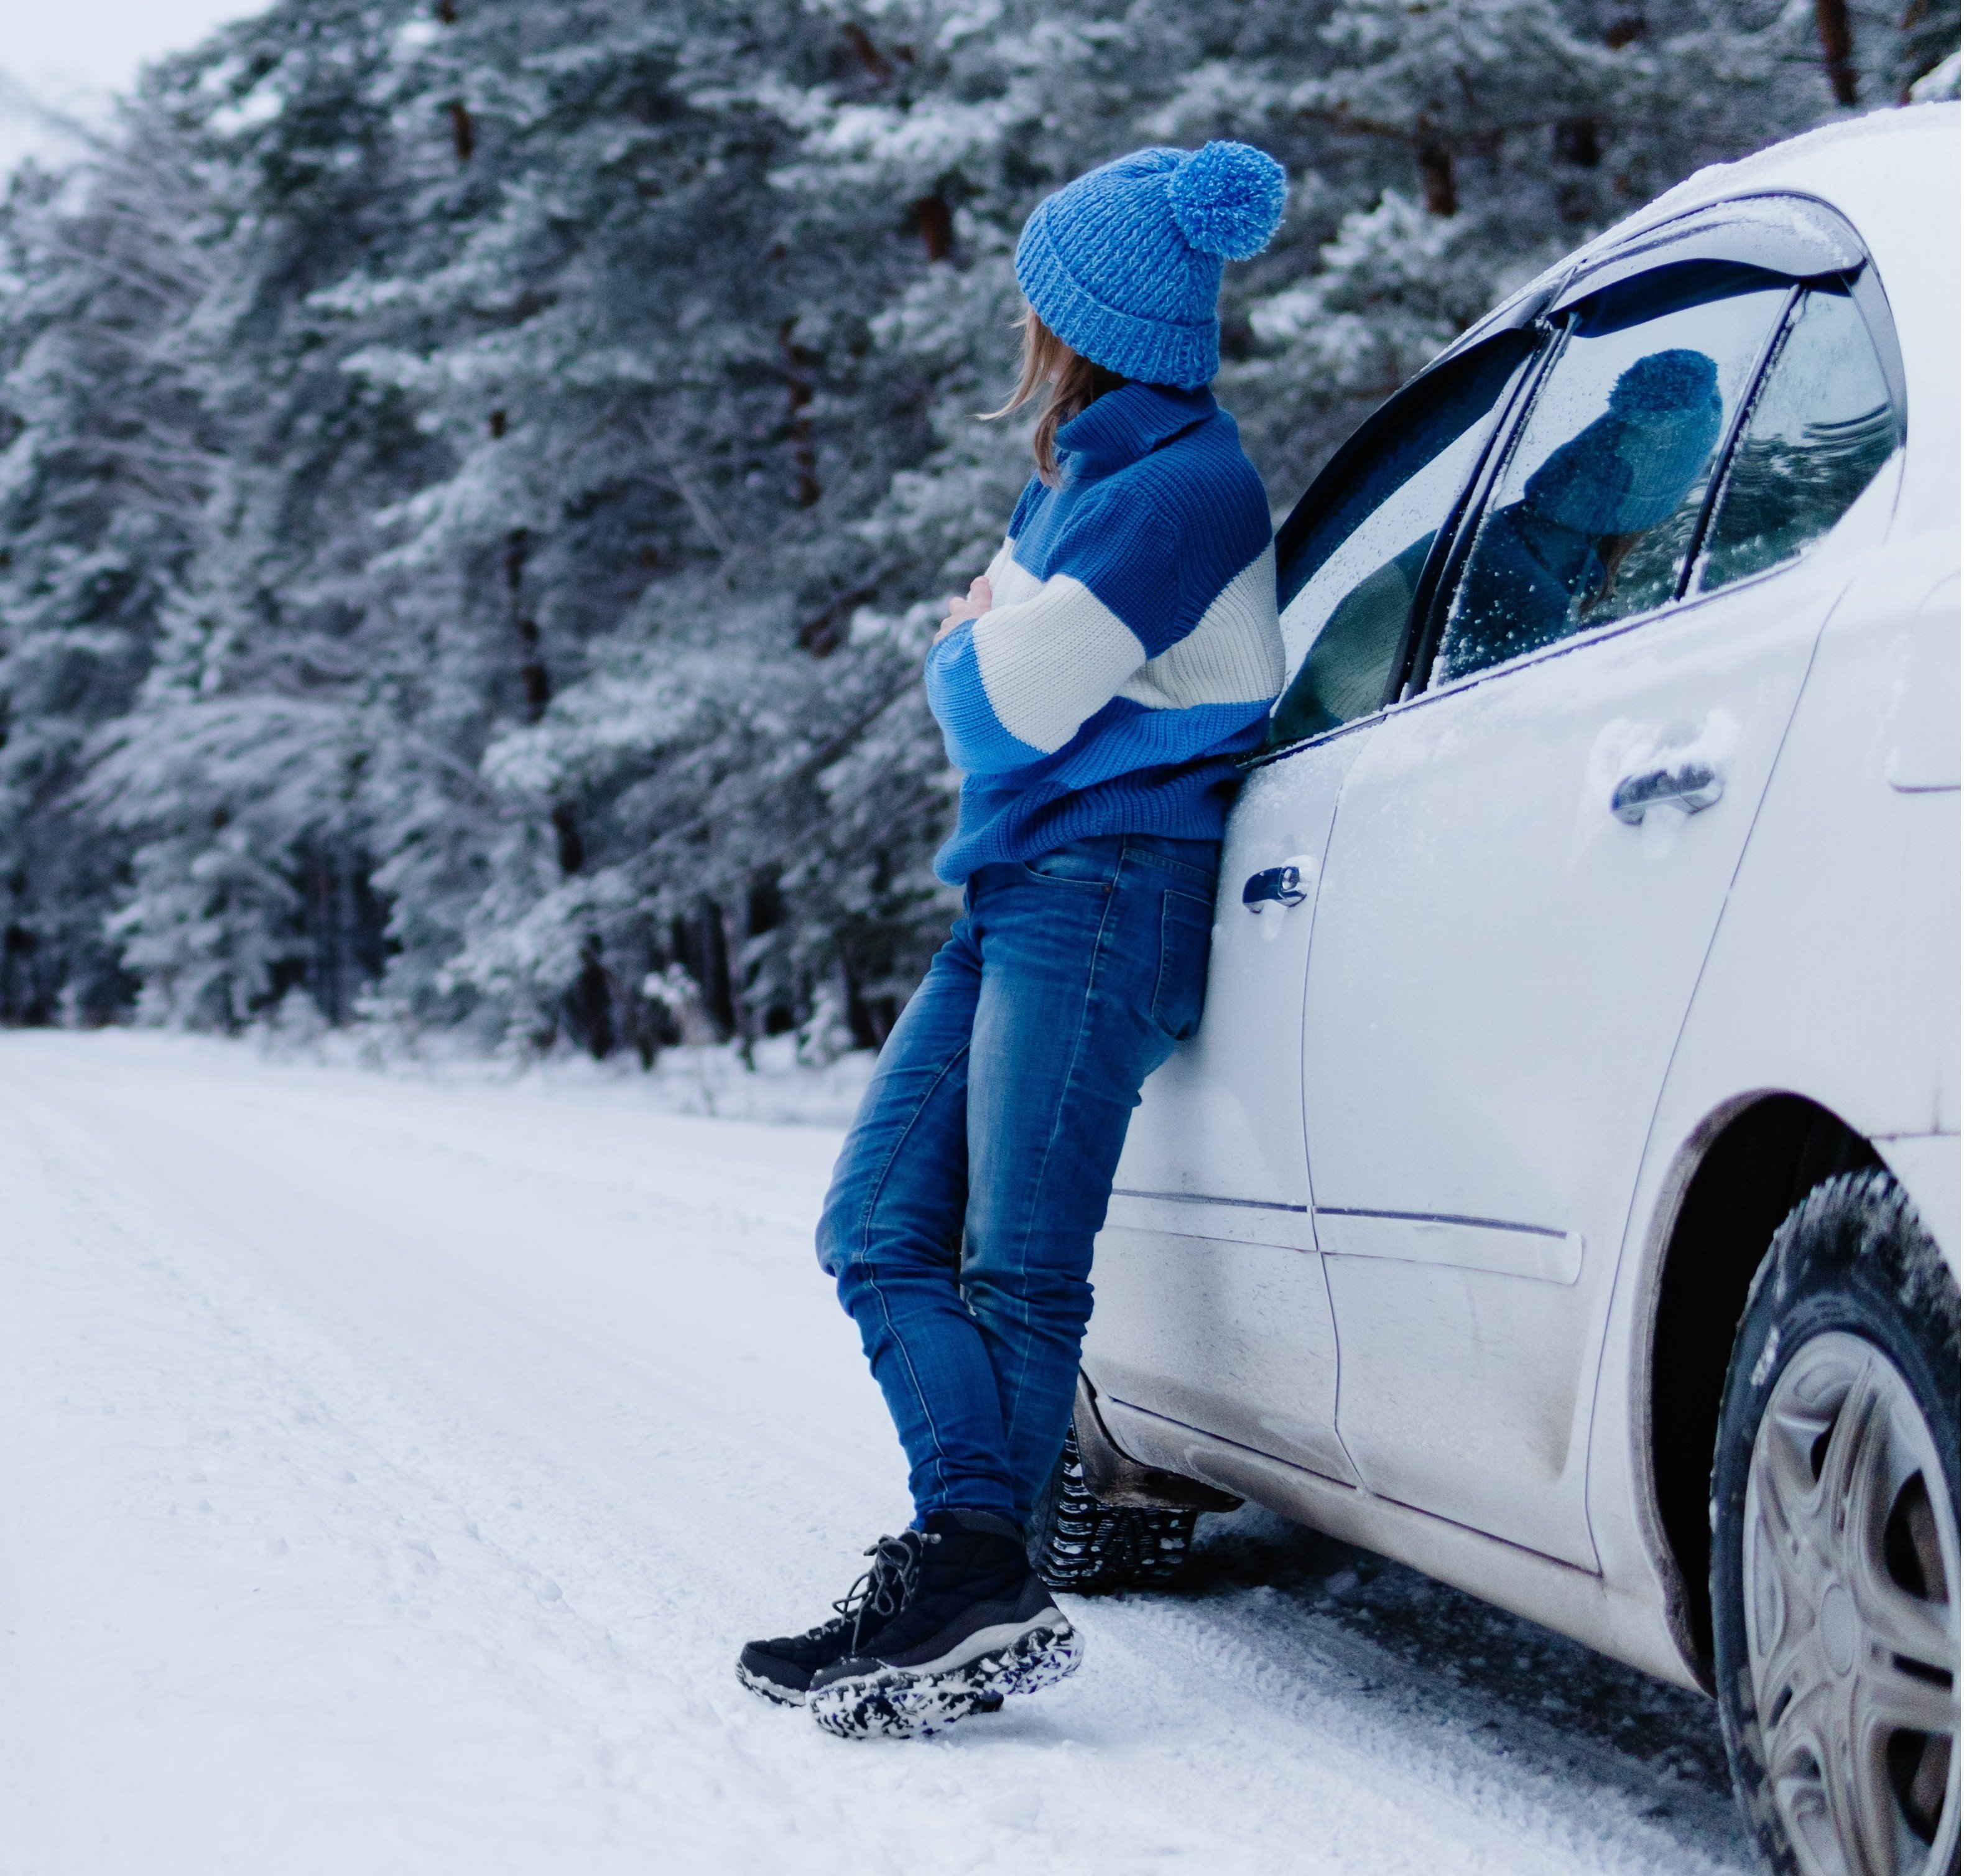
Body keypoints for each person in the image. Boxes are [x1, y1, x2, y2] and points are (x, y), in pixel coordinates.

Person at [735, 141, 1290, 1740]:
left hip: (1109, 882)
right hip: (1018, 881)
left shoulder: (1184, 485)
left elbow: (996, 700)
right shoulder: (1079, 479)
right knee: (870, 1228)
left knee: (1017, 1266)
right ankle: (967, 1550)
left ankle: (971, 1568)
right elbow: (1002, 695)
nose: (1018, 324)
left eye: (1037, 300)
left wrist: (978, 637)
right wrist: (991, 643)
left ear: (1084, 320)